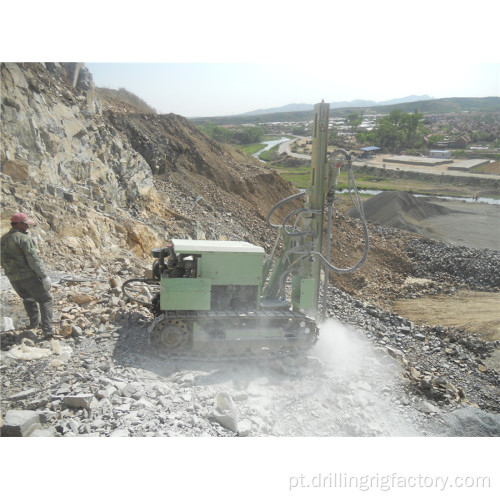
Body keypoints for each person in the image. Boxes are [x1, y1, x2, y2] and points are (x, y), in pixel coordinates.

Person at [1, 212, 54, 338]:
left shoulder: (2, 240)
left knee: (28, 299)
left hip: (13, 278)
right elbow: (33, 260)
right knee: (46, 299)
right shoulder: (24, 239)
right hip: (28, 277)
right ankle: (48, 332)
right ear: (18, 224)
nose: (27, 227)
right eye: (25, 224)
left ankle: (33, 325)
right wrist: (44, 276)